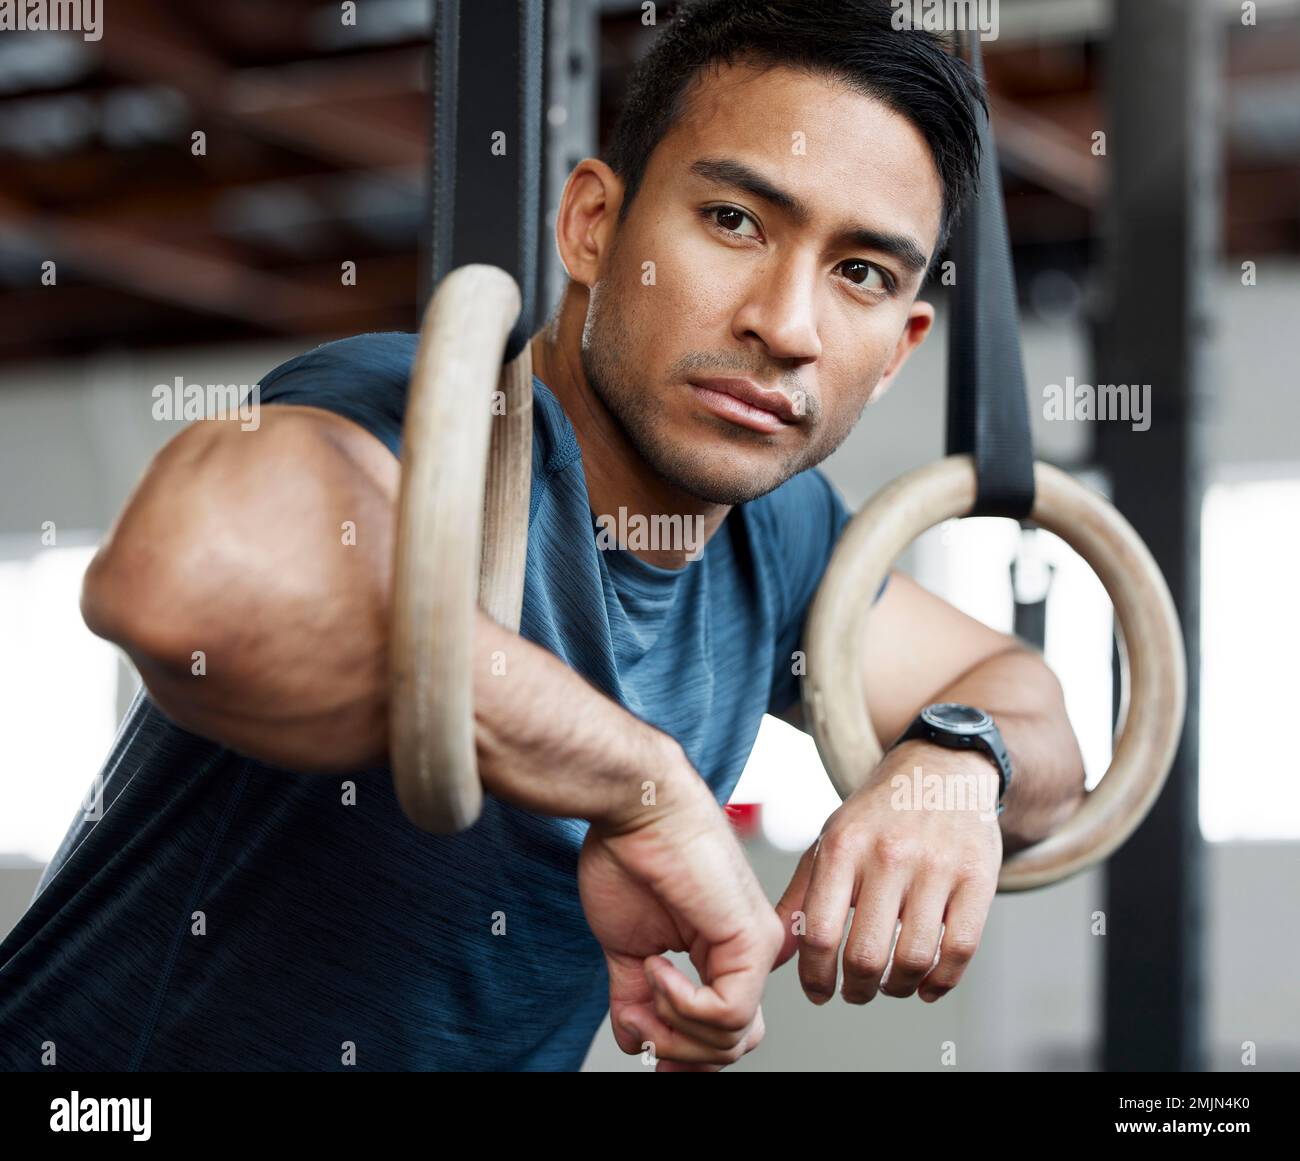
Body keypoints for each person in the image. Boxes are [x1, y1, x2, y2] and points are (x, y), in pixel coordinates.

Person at [0, 0, 1085, 1073]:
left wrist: (954, 764)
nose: (787, 326)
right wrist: (640, 786)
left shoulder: (780, 538)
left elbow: (1020, 696)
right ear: (592, 226)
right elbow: (179, 585)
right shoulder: (425, 418)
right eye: (734, 221)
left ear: (896, 350)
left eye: (859, 273)